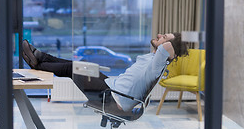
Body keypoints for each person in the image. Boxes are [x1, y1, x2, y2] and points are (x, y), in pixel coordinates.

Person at [22, 33, 188, 111]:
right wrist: (167, 41)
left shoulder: (158, 65)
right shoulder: (153, 59)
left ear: (169, 49)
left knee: (74, 69)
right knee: (79, 64)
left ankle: (37, 64)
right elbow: (165, 47)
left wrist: (178, 42)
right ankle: (40, 56)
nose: (159, 35)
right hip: (111, 86)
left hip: (113, 99)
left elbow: (168, 48)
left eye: (164, 36)